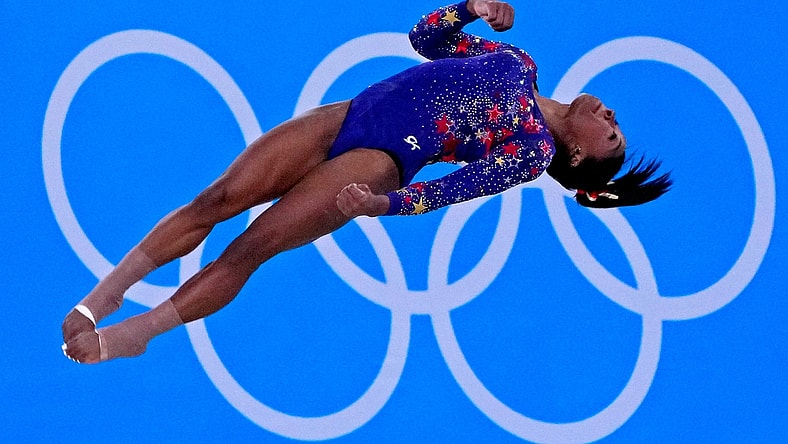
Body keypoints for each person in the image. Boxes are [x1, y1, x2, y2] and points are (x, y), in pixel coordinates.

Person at [62, 0, 671, 364]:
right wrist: (470, 7)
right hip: (349, 114)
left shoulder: (535, 150)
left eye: (612, 141)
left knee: (251, 247)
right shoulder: (518, 61)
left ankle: (134, 335)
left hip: (382, 157)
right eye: (617, 126)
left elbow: (456, 187)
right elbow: (425, 39)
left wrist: (385, 203)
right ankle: (101, 296)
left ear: (578, 156)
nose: (613, 120)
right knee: (217, 198)